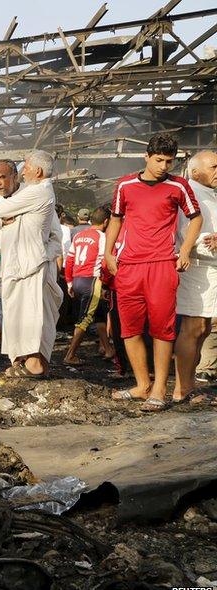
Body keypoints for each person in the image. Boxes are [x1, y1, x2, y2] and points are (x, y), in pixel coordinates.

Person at [105, 133, 202, 411]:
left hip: (162, 265)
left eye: (169, 161)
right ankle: (141, 385)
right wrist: (108, 252)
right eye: (158, 160)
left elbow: (196, 218)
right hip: (129, 266)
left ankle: (159, 387)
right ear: (146, 156)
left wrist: (184, 251)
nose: (163, 166)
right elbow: (115, 218)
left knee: (162, 329)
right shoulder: (125, 185)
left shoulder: (178, 185)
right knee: (130, 329)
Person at [0, 150, 63, 378]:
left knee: (33, 316)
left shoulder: (38, 192)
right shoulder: (26, 196)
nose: (24, 172)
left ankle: (35, 364)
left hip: (33, 266)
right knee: (17, 316)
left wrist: (45, 254)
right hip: (15, 267)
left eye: (26, 167)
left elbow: (55, 236)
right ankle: (21, 360)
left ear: (38, 171)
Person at [172, 150, 217, 404]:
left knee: (203, 329)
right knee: (193, 328)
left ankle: (189, 384)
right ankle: (182, 388)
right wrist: (208, 244)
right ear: (195, 171)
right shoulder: (188, 194)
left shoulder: (209, 194)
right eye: (214, 166)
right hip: (196, 269)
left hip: (211, 270)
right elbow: (186, 236)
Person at [63, 205, 112, 365]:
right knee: (84, 319)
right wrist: (105, 283)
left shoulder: (79, 235)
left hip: (77, 279)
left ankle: (106, 348)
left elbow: (69, 260)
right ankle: (70, 355)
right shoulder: (102, 237)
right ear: (106, 222)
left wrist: (69, 282)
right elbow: (105, 263)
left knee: (98, 315)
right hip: (92, 281)